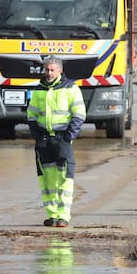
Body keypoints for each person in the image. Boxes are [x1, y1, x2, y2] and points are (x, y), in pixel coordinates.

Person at [26, 57, 86, 227]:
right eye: (47, 70)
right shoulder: (39, 90)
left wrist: (69, 136)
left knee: (64, 178)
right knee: (47, 180)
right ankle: (52, 215)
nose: (49, 73)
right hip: (44, 140)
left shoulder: (71, 89)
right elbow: (31, 115)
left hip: (62, 139)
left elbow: (79, 114)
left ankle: (63, 216)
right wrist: (36, 134)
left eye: (52, 70)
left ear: (60, 71)